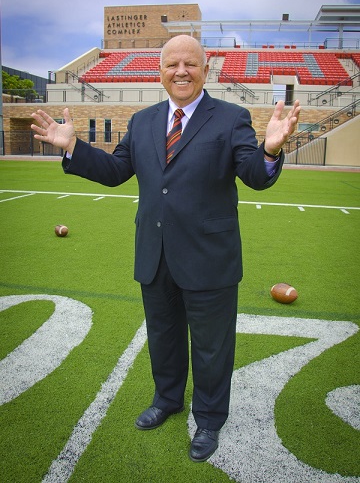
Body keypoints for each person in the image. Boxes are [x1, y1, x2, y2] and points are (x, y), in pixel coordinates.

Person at [31, 35, 301, 463]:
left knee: (212, 346)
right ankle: (168, 399)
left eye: (190, 64)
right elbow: (117, 169)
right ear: (160, 72)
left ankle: (209, 419)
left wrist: (270, 149)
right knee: (163, 337)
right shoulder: (142, 121)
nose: (181, 71)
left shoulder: (232, 118)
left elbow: (254, 174)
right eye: (172, 64)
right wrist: (73, 148)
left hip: (209, 258)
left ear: (205, 70)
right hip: (154, 254)